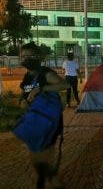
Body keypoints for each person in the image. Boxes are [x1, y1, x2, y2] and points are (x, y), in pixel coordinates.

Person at [19, 42, 69, 189]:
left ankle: (50, 179)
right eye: (23, 56)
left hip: (48, 121)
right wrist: (22, 100)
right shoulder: (27, 75)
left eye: (29, 56)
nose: (25, 59)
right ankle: (48, 177)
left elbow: (65, 85)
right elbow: (25, 92)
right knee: (36, 155)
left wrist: (42, 88)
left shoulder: (45, 73)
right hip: (33, 120)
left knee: (44, 154)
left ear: (38, 57)